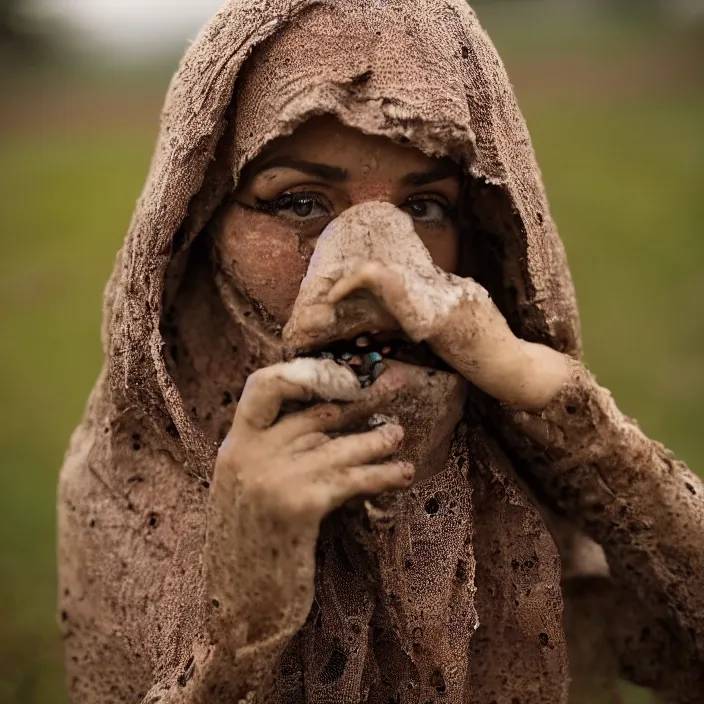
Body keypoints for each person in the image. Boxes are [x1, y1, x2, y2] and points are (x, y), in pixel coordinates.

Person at [57, 1, 704, 703]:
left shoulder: (512, 448)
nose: (375, 269)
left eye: (425, 208)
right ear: (198, 221)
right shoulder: (127, 483)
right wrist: (239, 628)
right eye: (301, 202)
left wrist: (560, 403)